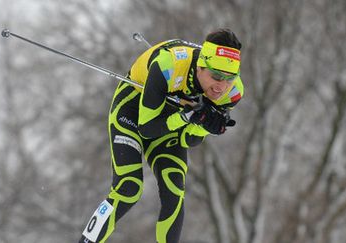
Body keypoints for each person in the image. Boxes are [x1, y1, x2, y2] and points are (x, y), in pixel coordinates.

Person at [79, 28, 244, 243]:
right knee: (129, 187)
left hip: (171, 121)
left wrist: (203, 125)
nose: (221, 87)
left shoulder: (233, 92)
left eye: (230, 78)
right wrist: (187, 117)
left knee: (174, 193)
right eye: (216, 76)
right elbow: (146, 128)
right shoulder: (168, 65)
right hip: (134, 108)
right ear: (200, 66)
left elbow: (188, 140)